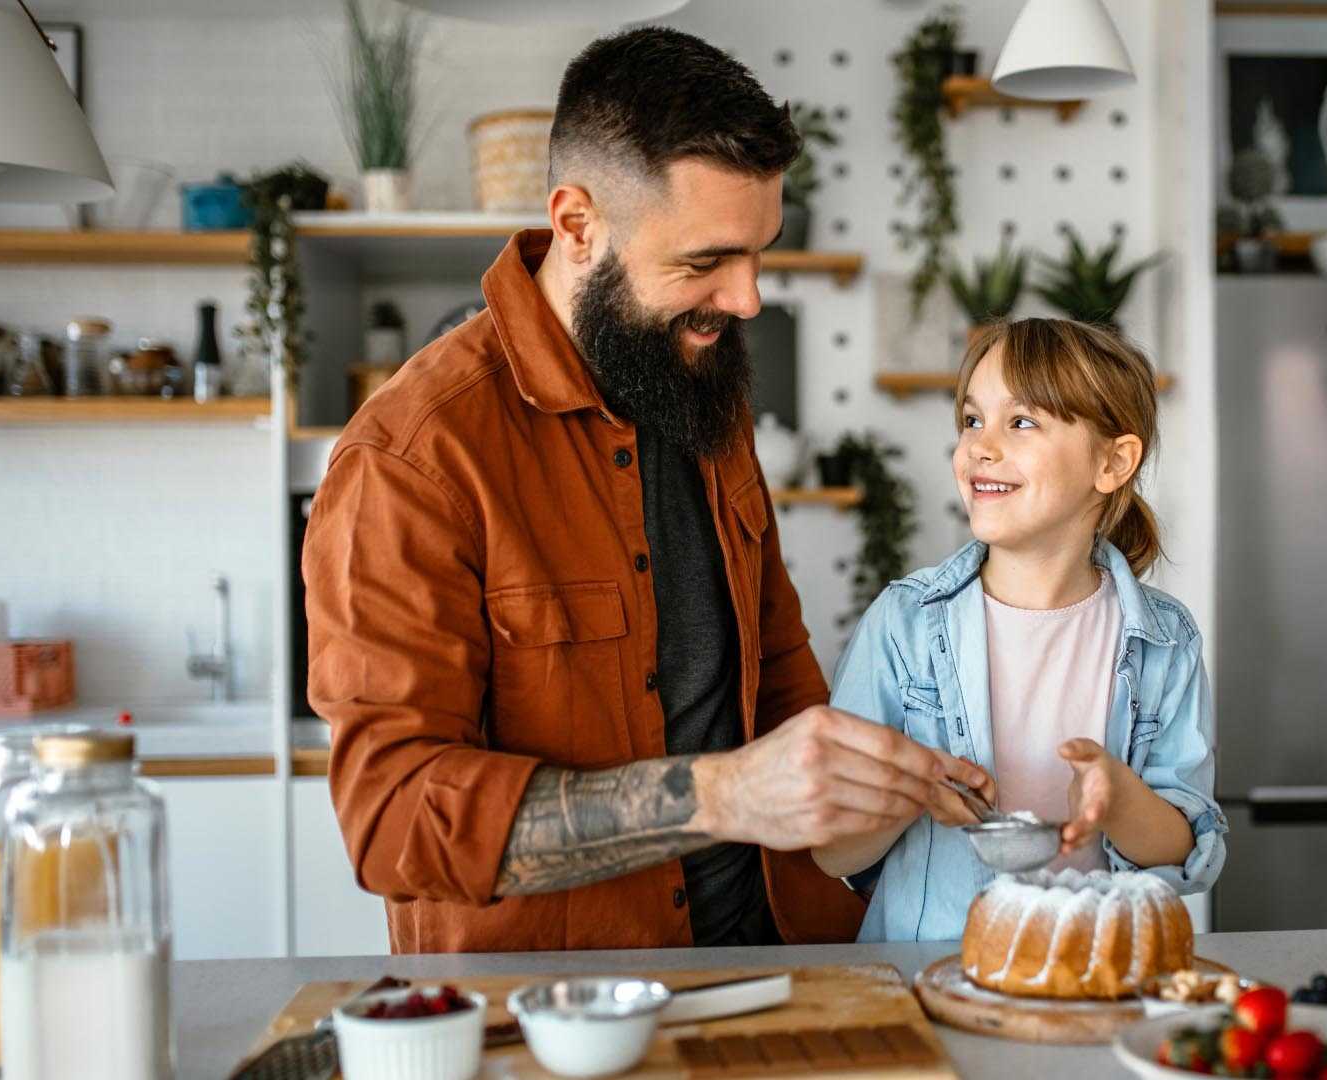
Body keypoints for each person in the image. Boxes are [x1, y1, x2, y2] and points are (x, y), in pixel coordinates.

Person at [302, 26, 987, 954]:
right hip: (552, 1012)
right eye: (706, 263)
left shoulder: (700, 384)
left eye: (759, 255)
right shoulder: (409, 459)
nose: (748, 300)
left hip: (783, 961)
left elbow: (776, 663)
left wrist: (870, 776)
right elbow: (392, 820)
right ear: (578, 224)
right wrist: (723, 795)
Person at [815, 318, 1226, 942]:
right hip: (924, 978)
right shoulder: (904, 624)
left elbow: (1186, 857)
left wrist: (1118, 797)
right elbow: (833, 854)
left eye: (1022, 422)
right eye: (973, 420)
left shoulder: (1166, 641)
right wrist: (911, 788)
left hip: (1091, 976)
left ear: (1113, 462)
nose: (980, 446)